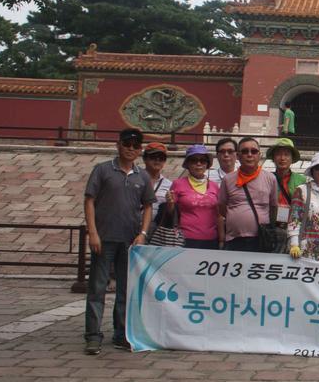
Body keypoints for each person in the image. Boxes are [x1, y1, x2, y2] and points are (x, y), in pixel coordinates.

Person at [83, 128, 155, 354]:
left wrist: (143, 233)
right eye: (127, 144)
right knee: (97, 288)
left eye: (135, 146)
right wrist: (92, 232)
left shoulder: (142, 176)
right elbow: (89, 201)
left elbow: (148, 206)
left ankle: (120, 333)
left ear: (140, 149)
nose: (131, 149)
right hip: (104, 238)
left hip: (130, 241)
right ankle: (93, 335)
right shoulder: (103, 170)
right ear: (118, 145)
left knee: (125, 289)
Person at [218, 137, 278, 252]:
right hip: (234, 239)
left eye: (254, 151)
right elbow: (222, 208)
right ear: (238, 156)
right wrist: (236, 218)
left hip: (261, 238)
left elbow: (273, 207)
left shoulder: (270, 178)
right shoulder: (228, 179)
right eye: (245, 151)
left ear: (259, 155)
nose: (249, 155)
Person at [166, 144, 223, 250]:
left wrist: (221, 240)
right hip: (185, 240)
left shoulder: (215, 186)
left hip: (211, 241)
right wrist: (169, 203)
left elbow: (219, 215)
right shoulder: (177, 184)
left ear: (207, 164)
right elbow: (171, 213)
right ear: (187, 164)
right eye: (194, 160)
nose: (198, 164)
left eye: (202, 160)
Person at [267, 138, 305, 232]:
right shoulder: (266, 178)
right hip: (270, 227)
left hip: (293, 228)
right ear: (273, 158)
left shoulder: (302, 181)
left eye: (286, 154)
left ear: (292, 159)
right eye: (278, 154)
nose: (282, 158)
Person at [142, 141, 171, 214]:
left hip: (157, 224)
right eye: (153, 157)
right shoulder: (134, 179)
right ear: (145, 159)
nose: (157, 160)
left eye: (161, 158)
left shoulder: (169, 185)